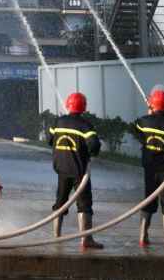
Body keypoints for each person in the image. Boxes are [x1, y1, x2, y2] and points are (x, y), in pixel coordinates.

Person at [48, 91, 103, 251]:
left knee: (60, 202)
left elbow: (49, 140)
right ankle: (86, 239)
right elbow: (94, 146)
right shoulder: (85, 125)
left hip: (61, 169)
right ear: (84, 107)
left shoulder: (58, 122)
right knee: (84, 204)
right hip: (79, 170)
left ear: (67, 105)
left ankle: (56, 236)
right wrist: (91, 152)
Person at [131, 87, 164, 252]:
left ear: (152, 105)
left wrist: (149, 113)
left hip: (149, 170)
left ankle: (142, 237)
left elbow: (137, 131)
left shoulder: (143, 122)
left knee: (148, 200)